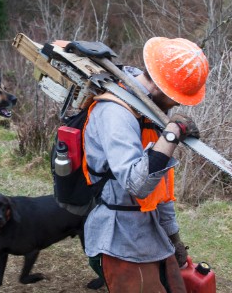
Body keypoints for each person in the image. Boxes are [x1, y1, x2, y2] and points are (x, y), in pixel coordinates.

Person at [82, 37, 209, 292]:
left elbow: (160, 188)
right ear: (162, 88)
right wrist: (171, 135)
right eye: (177, 98)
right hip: (118, 236)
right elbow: (136, 184)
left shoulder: (149, 110)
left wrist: (174, 237)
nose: (179, 104)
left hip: (151, 233)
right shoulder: (115, 113)